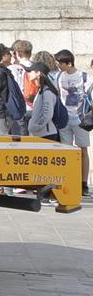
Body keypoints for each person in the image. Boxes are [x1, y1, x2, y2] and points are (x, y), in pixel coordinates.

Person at [52, 49, 90, 195]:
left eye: (61, 63)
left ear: (69, 63)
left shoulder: (84, 76)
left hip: (81, 119)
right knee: (66, 151)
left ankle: (83, 183)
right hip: (64, 118)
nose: (59, 66)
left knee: (82, 150)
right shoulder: (59, 76)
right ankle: (68, 180)